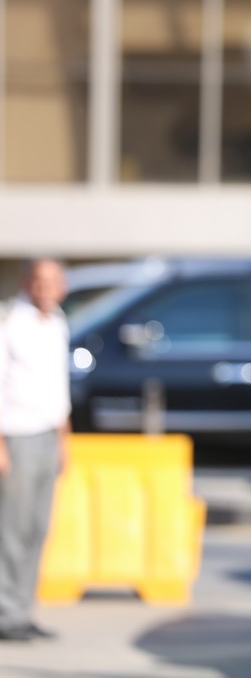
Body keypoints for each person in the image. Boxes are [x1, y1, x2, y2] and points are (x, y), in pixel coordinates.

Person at [0, 258, 71, 642]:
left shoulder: (58, 322)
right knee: (13, 528)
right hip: (17, 434)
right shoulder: (10, 321)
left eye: (53, 280)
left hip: (48, 435)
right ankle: (4, 612)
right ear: (28, 283)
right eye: (39, 280)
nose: (46, 287)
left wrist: (64, 438)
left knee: (38, 528)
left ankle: (22, 610)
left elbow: (58, 385)